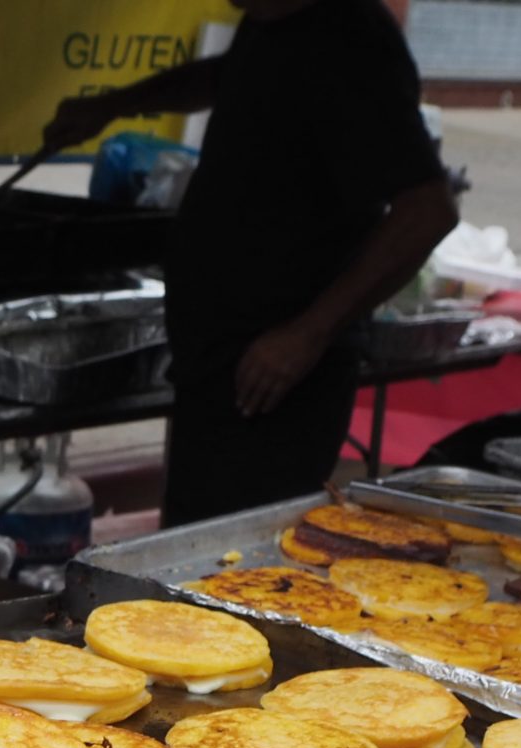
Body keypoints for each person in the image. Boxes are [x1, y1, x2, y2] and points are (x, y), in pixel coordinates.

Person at [44, 0, 458, 525]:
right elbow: (222, 78)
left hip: (275, 380)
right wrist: (112, 105)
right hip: (216, 364)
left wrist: (306, 334)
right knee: (189, 547)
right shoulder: (269, 20)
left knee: (238, 569)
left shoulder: (352, 40)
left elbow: (428, 210)